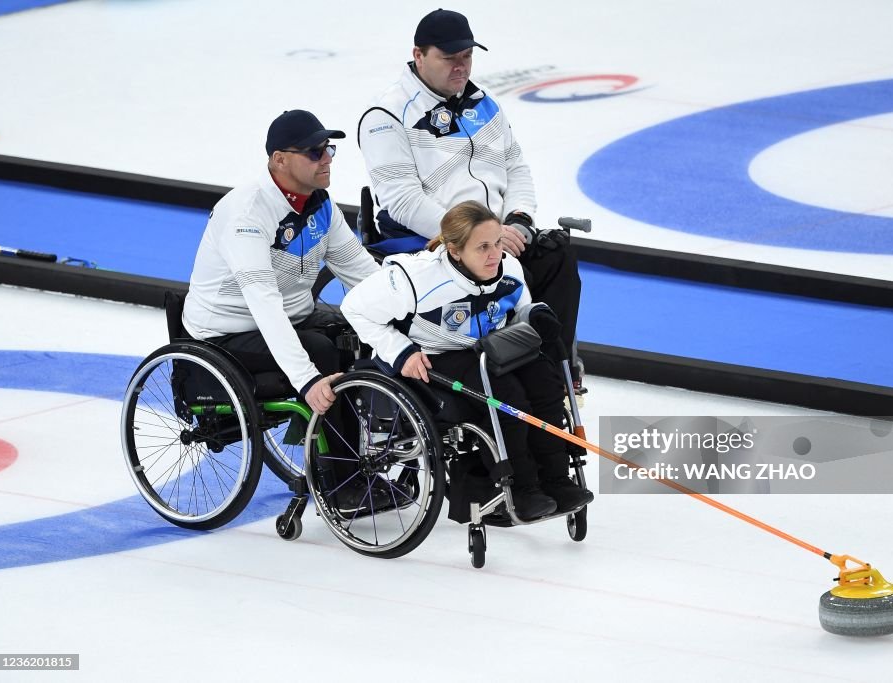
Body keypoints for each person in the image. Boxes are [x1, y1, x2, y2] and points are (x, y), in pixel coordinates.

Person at [357, 8, 586, 393]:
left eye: (466, 56)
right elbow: (403, 202)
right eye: (449, 58)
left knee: (556, 256)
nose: (461, 67)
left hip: (495, 231)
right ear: (418, 55)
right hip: (432, 240)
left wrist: (518, 220)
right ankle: (508, 374)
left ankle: (549, 371)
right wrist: (480, 238)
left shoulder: (483, 103)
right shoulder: (386, 116)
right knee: (509, 272)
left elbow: (516, 166)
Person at [181, 109, 388, 510]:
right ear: (279, 160)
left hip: (294, 313)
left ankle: (359, 452)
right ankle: (343, 483)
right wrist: (308, 381)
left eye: (329, 149)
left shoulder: (319, 206)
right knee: (321, 354)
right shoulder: (246, 215)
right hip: (226, 329)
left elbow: (363, 273)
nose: (326, 157)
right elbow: (264, 306)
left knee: (355, 334)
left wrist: (418, 312)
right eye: (314, 152)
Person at [341, 200, 593, 521]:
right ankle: (523, 488)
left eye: (498, 242)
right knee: (507, 397)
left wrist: (534, 315)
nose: (494, 254)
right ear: (455, 251)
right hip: (436, 355)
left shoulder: (510, 269)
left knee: (546, 382)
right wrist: (400, 352)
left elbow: (517, 315)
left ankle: (556, 480)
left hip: (492, 348)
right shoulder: (417, 279)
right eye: (483, 247)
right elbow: (354, 308)